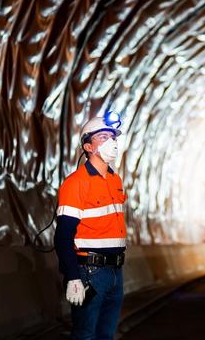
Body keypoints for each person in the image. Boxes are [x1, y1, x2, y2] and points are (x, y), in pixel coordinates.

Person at [54, 112, 127, 339]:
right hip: (90, 272)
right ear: (87, 146)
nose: (112, 142)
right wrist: (73, 276)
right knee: (85, 335)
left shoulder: (115, 180)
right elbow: (63, 236)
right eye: (103, 137)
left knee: (106, 334)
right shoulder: (76, 183)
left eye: (113, 137)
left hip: (115, 272)